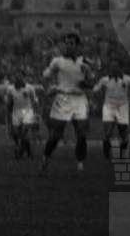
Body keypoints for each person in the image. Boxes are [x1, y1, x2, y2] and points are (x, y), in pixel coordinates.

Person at [38, 30, 96, 173]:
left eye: (71, 43)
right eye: (66, 43)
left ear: (77, 46)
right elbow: (44, 77)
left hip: (79, 99)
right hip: (62, 99)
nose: (68, 46)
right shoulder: (57, 61)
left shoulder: (85, 62)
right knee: (56, 135)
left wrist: (86, 83)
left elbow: (91, 82)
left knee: (81, 133)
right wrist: (48, 89)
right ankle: (45, 158)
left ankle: (80, 163)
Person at [94, 68, 130, 160]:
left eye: (117, 67)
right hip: (109, 106)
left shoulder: (128, 79)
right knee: (107, 132)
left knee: (124, 134)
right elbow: (96, 88)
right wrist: (90, 87)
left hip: (122, 107)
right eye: (112, 67)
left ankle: (122, 154)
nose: (114, 69)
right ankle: (106, 153)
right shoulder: (105, 79)